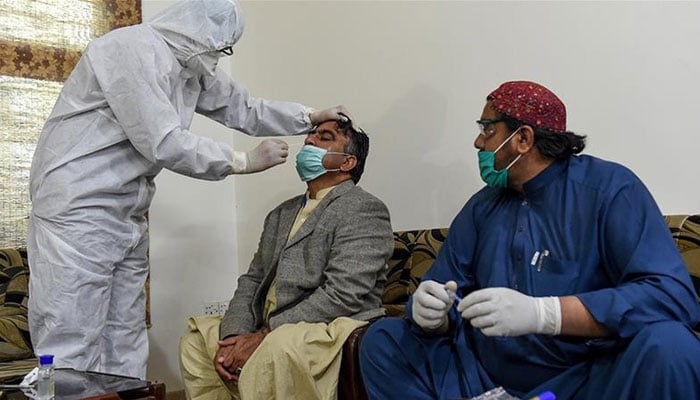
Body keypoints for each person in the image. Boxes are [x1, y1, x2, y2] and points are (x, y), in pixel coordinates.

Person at [27, 0, 349, 379]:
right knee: (71, 333)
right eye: (220, 47)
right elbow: (163, 141)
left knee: (124, 334)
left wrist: (307, 116)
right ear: (199, 32)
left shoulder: (188, 66)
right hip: (78, 205)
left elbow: (244, 108)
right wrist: (241, 161)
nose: (218, 58)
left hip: (126, 212)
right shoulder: (127, 49)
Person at [359, 81, 700, 399]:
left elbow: (672, 297)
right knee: (383, 340)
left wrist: (545, 313)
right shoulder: (483, 205)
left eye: (487, 129)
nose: (478, 143)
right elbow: (446, 287)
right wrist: (431, 313)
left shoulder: (610, 189)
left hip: (583, 379)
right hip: (485, 379)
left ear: (523, 139)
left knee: (670, 347)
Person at [179, 116, 394, 400]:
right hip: (269, 324)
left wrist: (265, 334)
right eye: (311, 135)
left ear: (347, 162)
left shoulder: (364, 209)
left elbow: (344, 294)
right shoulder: (281, 213)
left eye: (324, 138)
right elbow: (253, 280)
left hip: (332, 324)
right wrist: (234, 336)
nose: (309, 140)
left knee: (277, 347)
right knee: (197, 340)